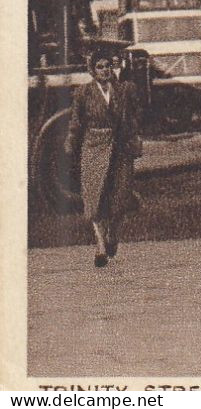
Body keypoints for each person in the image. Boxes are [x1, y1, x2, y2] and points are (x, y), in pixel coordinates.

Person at [67, 45, 143, 267]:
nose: (104, 70)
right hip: (94, 149)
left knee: (120, 197)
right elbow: (75, 122)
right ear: (92, 70)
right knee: (95, 198)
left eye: (108, 65)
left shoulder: (125, 90)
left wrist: (134, 138)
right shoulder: (83, 93)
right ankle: (100, 246)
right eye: (99, 66)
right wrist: (71, 147)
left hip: (120, 150)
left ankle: (113, 235)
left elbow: (136, 115)